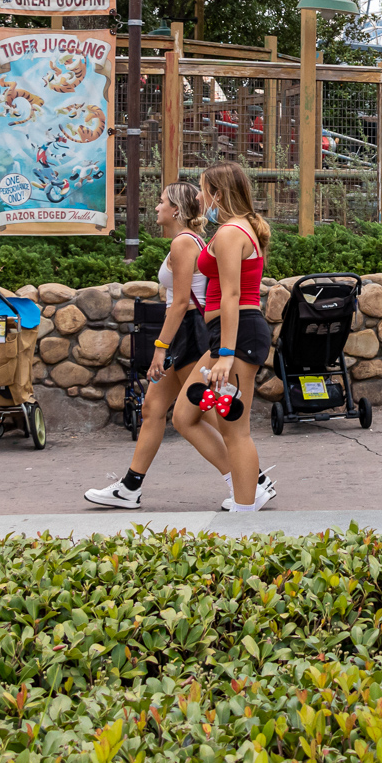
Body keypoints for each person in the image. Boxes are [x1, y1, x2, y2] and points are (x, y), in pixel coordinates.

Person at [84, 183, 212, 509]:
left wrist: (159, 347)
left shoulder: (184, 243)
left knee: (202, 415)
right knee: (154, 408)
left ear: (176, 211)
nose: (156, 207)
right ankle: (130, 487)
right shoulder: (183, 242)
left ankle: (251, 480)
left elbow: (181, 302)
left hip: (189, 336)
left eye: (161, 202)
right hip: (183, 335)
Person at [188, 162, 275, 511]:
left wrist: (225, 353)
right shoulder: (233, 230)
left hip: (237, 335)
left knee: (235, 430)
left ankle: (245, 508)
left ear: (218, 194)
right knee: (184, 414)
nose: (198, 196)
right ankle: (245, 490)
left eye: (202, 189)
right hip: (225, 335)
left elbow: (232, 295)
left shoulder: (229, 233)